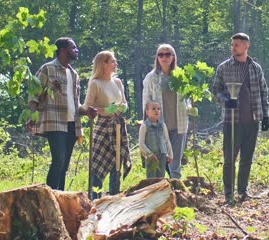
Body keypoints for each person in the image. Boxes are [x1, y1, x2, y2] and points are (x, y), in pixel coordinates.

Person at [27, 37, 96, 191]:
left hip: (72, 123)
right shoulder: (48, 69)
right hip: (55, 121)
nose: (77, 51)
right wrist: (31, 116)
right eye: (74, 48)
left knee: (64, 165)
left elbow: (75, 104)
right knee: (58, 159)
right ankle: (51, 194)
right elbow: (34, 94)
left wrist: (87, 111)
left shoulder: (74, 74)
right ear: (64, 50)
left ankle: (61, 196)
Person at [211, 33, 269, 206]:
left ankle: (243, 191)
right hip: (232, 121)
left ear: (246, 46)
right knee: (230, 159)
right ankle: (228, 194)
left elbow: (263, 92)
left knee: (247, 158)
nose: (233, 47)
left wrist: (266, 115)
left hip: (252, 120)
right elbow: (216, 90)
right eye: (232, 44)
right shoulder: (224, 67)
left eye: (237, 44)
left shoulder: (255, 68)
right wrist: (225, 101)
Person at [83, 50, 131, 199]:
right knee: (98, 164)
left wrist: (123, 107)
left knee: (116, 163)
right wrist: (104, 110)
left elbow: (123, 102)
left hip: (117, 125)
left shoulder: (117, 82)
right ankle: (95, 199)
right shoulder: (95, 83)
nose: (115, 64)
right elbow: (87, 107)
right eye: (112, 61)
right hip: (103, 126)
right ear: (103, 64)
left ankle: (114, 196)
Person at [141, 44, 193, 179]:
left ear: (173, 57)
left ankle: (176, 190)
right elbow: (146, 102)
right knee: (159, 161)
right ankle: (158, 190)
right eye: (161, 55)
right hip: (158, 126)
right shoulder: (151, 78)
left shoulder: (181, 76)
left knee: (175, 162)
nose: (164, 57)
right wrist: (146, 123)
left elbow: (187, 98)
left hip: (179, 124)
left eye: (167, 54)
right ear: (157, 58)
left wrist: (191, 109)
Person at [138, 101, 173, 179]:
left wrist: (170, 154)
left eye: (158, 109)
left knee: (161, 176)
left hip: (162, 155)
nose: (156, 111)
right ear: (147, 112)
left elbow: (167, 141)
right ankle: (151, 190)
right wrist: (149, 154)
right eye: (153, 109)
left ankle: (160, 190)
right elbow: (141, 143)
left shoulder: (162, 125)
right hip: (151, 157)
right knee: (151, 177)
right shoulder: (144, 126)